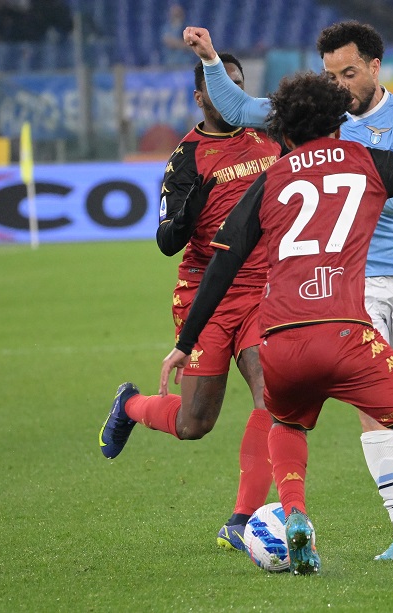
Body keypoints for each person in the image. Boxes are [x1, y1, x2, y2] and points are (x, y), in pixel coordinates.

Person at [156, 71, 393, 575]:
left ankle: (296, 516)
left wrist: (186, 343)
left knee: (285, 422)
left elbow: (222, 265)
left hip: (279, 339)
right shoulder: (364, 161)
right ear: (337, 124)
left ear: (284, 132)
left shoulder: (269, 179)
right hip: (346, 332)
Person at [99, 53, 283, 548]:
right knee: (194, 422)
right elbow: (166, 240)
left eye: (240, 86)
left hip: (265, 289)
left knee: (271, 393)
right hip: (207, 293)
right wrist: (189, 211)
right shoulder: (186, 157)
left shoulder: (271, 134)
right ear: (202, 97)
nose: (235, 95)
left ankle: (242, 518)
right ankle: (132, 405)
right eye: (224, 88)